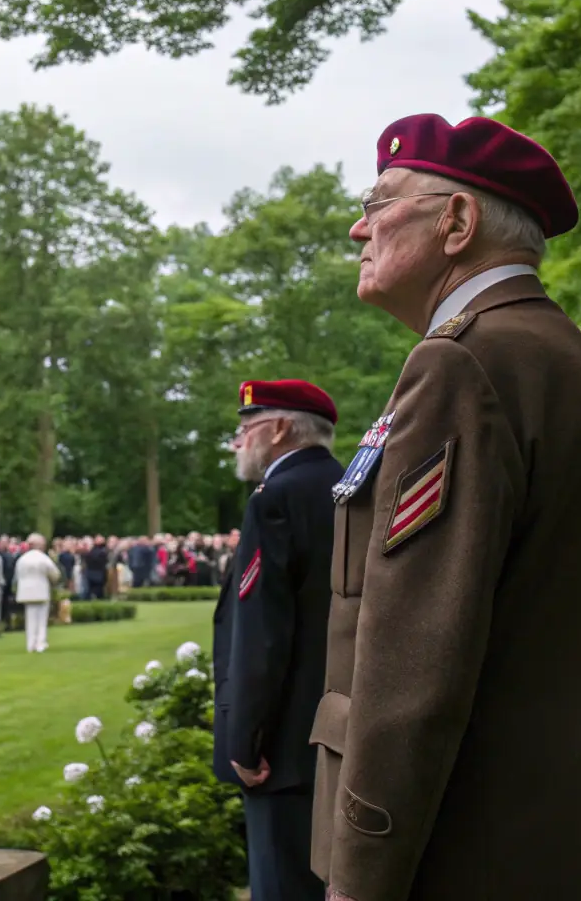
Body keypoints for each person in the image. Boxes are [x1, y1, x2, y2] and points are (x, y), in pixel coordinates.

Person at [312, 114, 581, 901]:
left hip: (468, 839)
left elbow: (414, 659)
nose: (357, 226)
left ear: (457, 221)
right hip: (569, 820)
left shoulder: (460, 363)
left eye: (380, 200)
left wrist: (360, 872)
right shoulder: (575, 365)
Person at [213, 379, 344, 901]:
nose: (238, 441)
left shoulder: (275, 498)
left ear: (282, 428)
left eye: (247, 428)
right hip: (343, 724)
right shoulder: (348, 486)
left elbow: (261, 634)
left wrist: (245, 740)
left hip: (283, 747)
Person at [13, 534, 60, 653]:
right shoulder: (43, 558)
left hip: (25, 591)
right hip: (40, 589)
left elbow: (17, 575)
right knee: (41, 618)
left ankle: (30, 644)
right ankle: (40, 643)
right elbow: (54, 573)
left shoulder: (22, 559)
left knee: (30, 618)